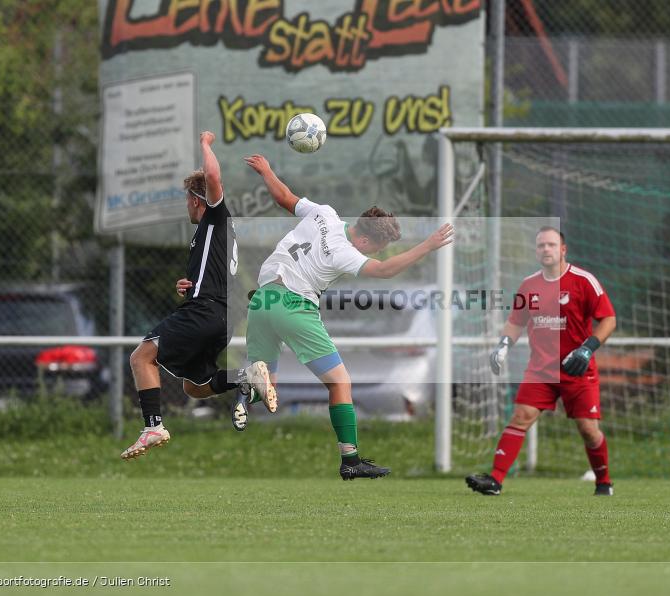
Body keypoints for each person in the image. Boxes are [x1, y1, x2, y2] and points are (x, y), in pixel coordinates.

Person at [236, 154, 453, 480]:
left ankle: (243, 392)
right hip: (294, 306)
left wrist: (267, 170)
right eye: (376, 247)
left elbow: (283, 197)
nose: (374, 254)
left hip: (262, 300)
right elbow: (383, 272)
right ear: (365, 239)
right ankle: (350, 461)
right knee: (340, 382)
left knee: (268, 386)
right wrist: (427, 246)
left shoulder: (324, 213)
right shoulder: (345, 251)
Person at [120, 131, 263, 460]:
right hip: (221, 315)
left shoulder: (215, 216)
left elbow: (212, 176)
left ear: (197, 200)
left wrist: (205, 143)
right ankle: (247, 376)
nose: (187, 203)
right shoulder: (209, 233)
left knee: (141, 357)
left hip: (206, 312)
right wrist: (191, 284)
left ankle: (153, 426)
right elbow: (218, 273)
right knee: (195, 386)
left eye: (188, 198)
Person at [466, 226, 617, 495]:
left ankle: (604, 482)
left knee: (589, 430)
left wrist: (587, 349)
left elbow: (609, 319)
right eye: (540, 246)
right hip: (541, 369)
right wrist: (502, 346)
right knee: (521, 417)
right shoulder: (529, 285)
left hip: (577, 369)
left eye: (550, 244)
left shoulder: (583, 281)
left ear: (563, 249)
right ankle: (495, 480)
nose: (545, 249)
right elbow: (515, 323)